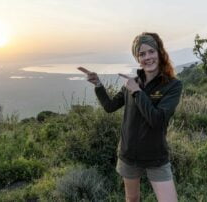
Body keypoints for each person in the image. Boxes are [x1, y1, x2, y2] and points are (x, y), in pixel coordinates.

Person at [78, 32, 182, 202]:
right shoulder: (132, 82)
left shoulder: (172, 85)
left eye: (151, 51)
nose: (147, 57)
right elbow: (110, 107)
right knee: (132, 199)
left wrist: (137, 92)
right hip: (129, 155)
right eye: (142, 54)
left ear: (159, 53)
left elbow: (157, 120)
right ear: (137, 58)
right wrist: (98, 84)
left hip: (156, 157)